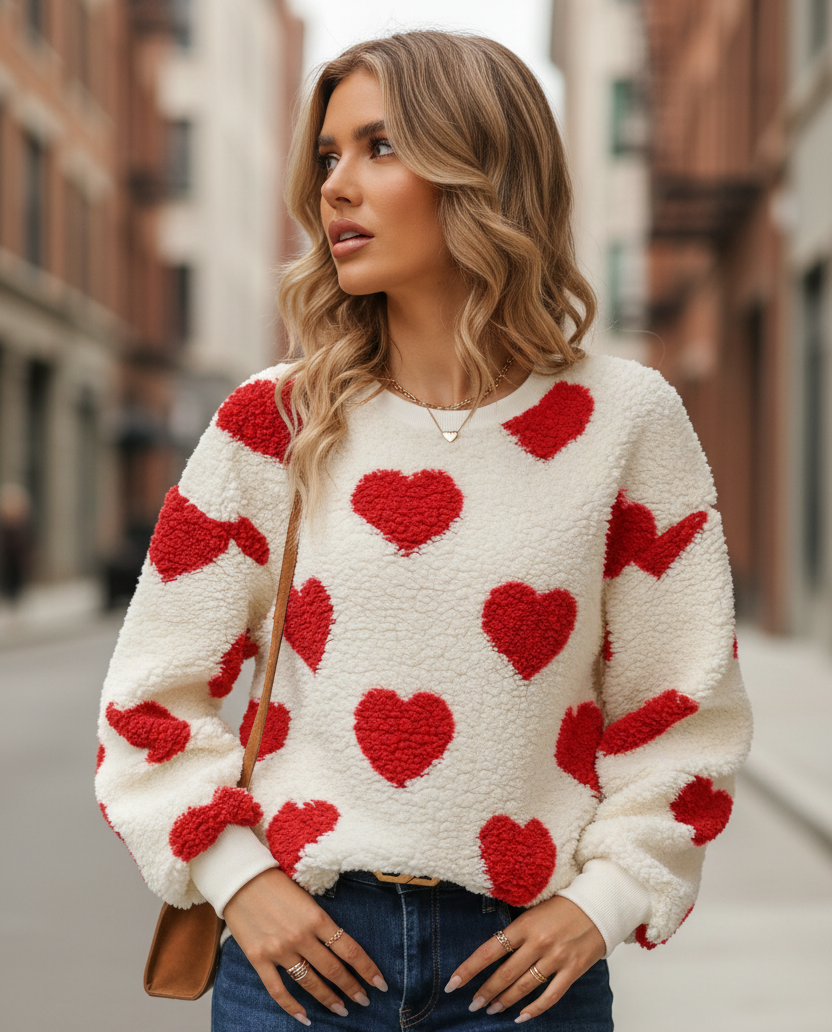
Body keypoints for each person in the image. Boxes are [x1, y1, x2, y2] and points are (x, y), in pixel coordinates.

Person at [96, 31, 752, 1031]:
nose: (335, 187)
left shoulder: (627, 421)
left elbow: (680, 708)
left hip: (526, 976)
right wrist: (240, 882)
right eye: (326, 157)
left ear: (481, 169)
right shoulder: (273, 422)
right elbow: (148, 698)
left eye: (379, 148)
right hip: (297, 966)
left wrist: (601, 903)